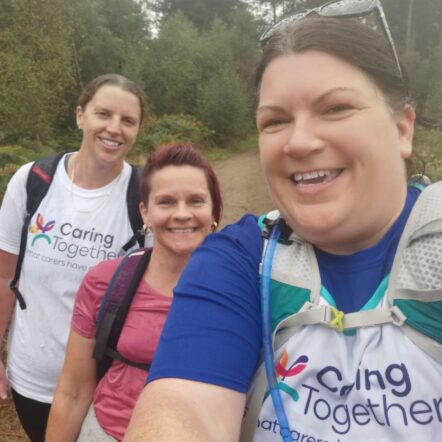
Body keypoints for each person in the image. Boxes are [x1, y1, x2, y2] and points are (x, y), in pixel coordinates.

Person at [124, 3, 442, 442]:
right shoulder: (239, 260)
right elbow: (183, 407)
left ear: (403, 129)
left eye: (335, 108)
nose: (299, 141)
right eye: (275, 121)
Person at [0, 73, 146, 442]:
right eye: (104, 114)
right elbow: (4, 275)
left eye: (128, 121)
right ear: (80, 115)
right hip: (32, 378)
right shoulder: (32, 181)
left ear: (138, 129)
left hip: (108, 387)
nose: (115, 129)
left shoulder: (143, 196)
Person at [45, 144, 222, 441]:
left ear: (213, 211)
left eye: (195, 201)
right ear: (145, 212)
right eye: (165, 202)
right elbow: (73, 392)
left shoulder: (240, 289)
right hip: (107, 432)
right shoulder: (106, 281)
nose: (182, 214)